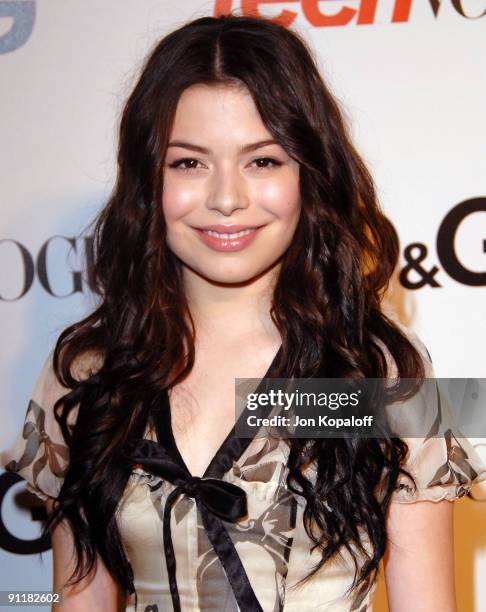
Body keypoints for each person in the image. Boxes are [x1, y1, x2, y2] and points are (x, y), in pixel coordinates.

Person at [1, 13, 485, 612]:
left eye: (263, 160)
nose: (226, 198)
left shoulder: (374, 374)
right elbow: (79, 598)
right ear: (147, 180)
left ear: (308, 173)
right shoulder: (89, 371)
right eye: (188, 163)